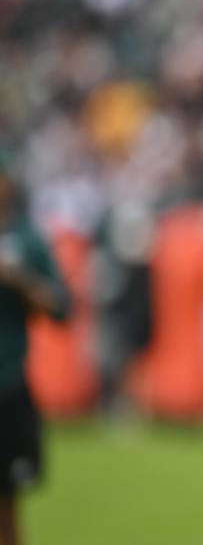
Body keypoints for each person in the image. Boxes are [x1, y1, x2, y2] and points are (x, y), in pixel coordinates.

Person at [0, 154, 71, 545]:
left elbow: (61, 307)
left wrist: (18, 280)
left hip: (9, 384)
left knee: (8, 508)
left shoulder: (26, 239)